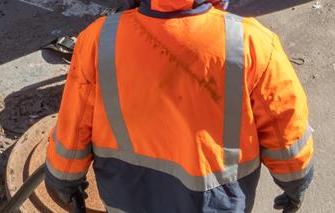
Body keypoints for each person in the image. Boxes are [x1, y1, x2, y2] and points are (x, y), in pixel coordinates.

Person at [44, 0, 313, 212]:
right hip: (217, 202)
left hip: (127, 197)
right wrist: (295, 183)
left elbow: (75, 123)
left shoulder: (99, 40)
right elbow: (283, 125)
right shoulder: (251, 42)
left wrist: (63, 179)